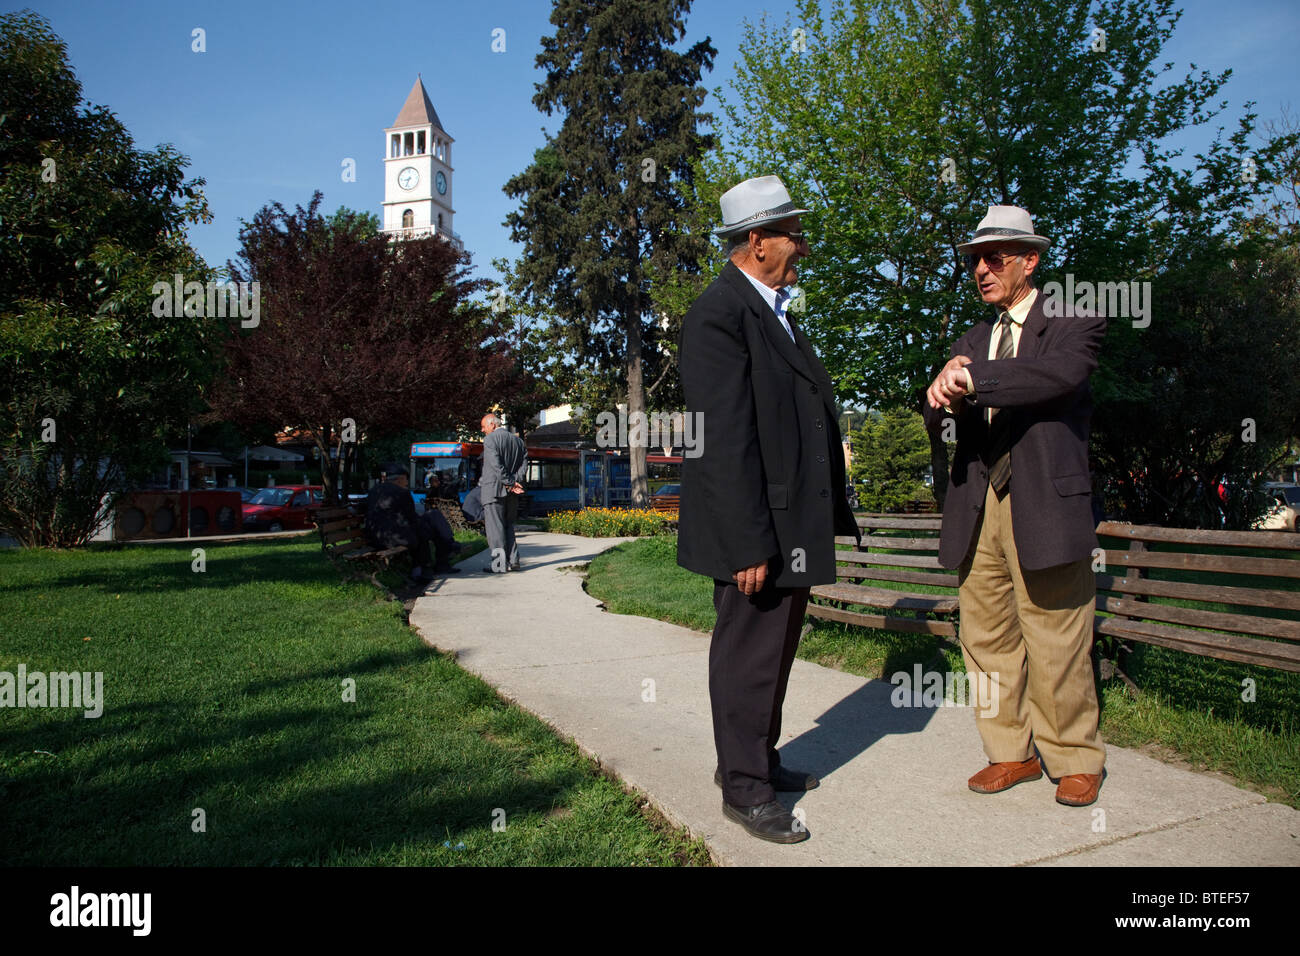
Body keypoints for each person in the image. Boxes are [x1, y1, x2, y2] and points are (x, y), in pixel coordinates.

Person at [677, 175, 859, 844]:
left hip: (793, 526)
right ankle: (745, 789)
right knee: (747, 658)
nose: (801, 247)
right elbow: (721, 442)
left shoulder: (773, 309)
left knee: (775, 654)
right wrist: (747, 541)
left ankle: (758, 760)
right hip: (758, 530)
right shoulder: (719, 315)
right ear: (757, 242)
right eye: (791, 234)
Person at [922, 205, 1107, 807]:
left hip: (1045, 506)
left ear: (1030, 260)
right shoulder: (970, 340)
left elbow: (1054, 379)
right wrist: (937, 396)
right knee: (986, 636)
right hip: (979, 506)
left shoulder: (1074, 321)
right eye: (974, 258)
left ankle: (1075, 758)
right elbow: (943, 411)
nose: (981, 268)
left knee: (1057, 635)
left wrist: (973, 381)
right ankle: (1011, 753)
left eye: (994, 257)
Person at [363, 461, 459, 582]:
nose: (407, 482)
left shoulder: (374, 491)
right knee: (428, 527)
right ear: (400, 479)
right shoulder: (402, 493)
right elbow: (411, 518)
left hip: (375, 536)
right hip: (394, 537)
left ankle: (429, 564)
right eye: (406, 479)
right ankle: (443, 555)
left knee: (431, 520)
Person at [477, 414, 527, 573]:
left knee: (495, 529)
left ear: (492, 424)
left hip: (494, 491)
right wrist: (515, 481)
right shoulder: (518, 441)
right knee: (508, 526)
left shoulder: (490, 440)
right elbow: (524, 464)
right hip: (511, 492)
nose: (482, 430)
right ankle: (514, 560)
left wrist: (510, 482)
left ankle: (499, 565)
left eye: (484, 426)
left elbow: (496, 465)